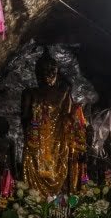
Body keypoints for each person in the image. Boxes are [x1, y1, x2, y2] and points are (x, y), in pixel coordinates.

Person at [21, 53, 73, 197]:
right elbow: (25, 120)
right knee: (35, 166)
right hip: (37, 140)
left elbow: (68, 117)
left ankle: (60, 203)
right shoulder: (30, 93)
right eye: (45, 70)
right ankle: (34, 203)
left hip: (57, 141)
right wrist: (34, 123)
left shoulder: (63, 93)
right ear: (38, 73)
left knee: (60, 166)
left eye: (53, 70)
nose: (49, 74)